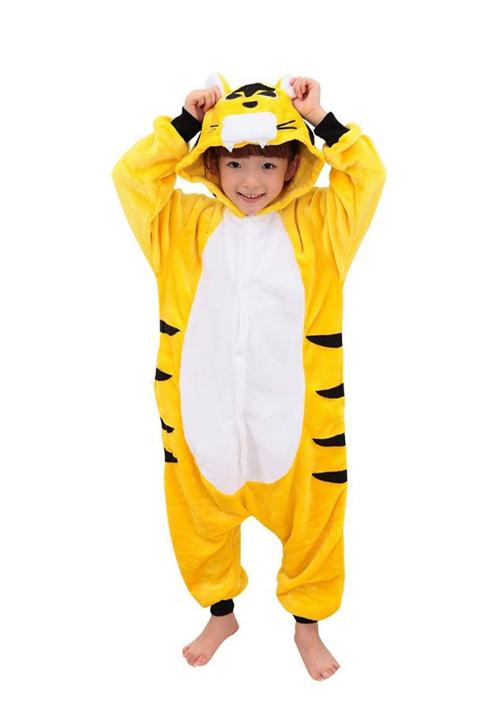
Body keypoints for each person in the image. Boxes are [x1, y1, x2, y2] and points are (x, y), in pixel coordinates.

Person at [111, 74, 386, 680]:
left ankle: (308, 626)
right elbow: (132, 177)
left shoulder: (322, 224)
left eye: (268, 163)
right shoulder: (181, 225)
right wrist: (186, 124)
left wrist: (321, 120)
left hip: (298, 421)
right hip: (202, 411)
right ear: (212, 164)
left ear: (293, 167)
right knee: (199, 522)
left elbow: (366, 176)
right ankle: (221, 614)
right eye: (235, 163)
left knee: (315, 523)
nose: (251, 181)